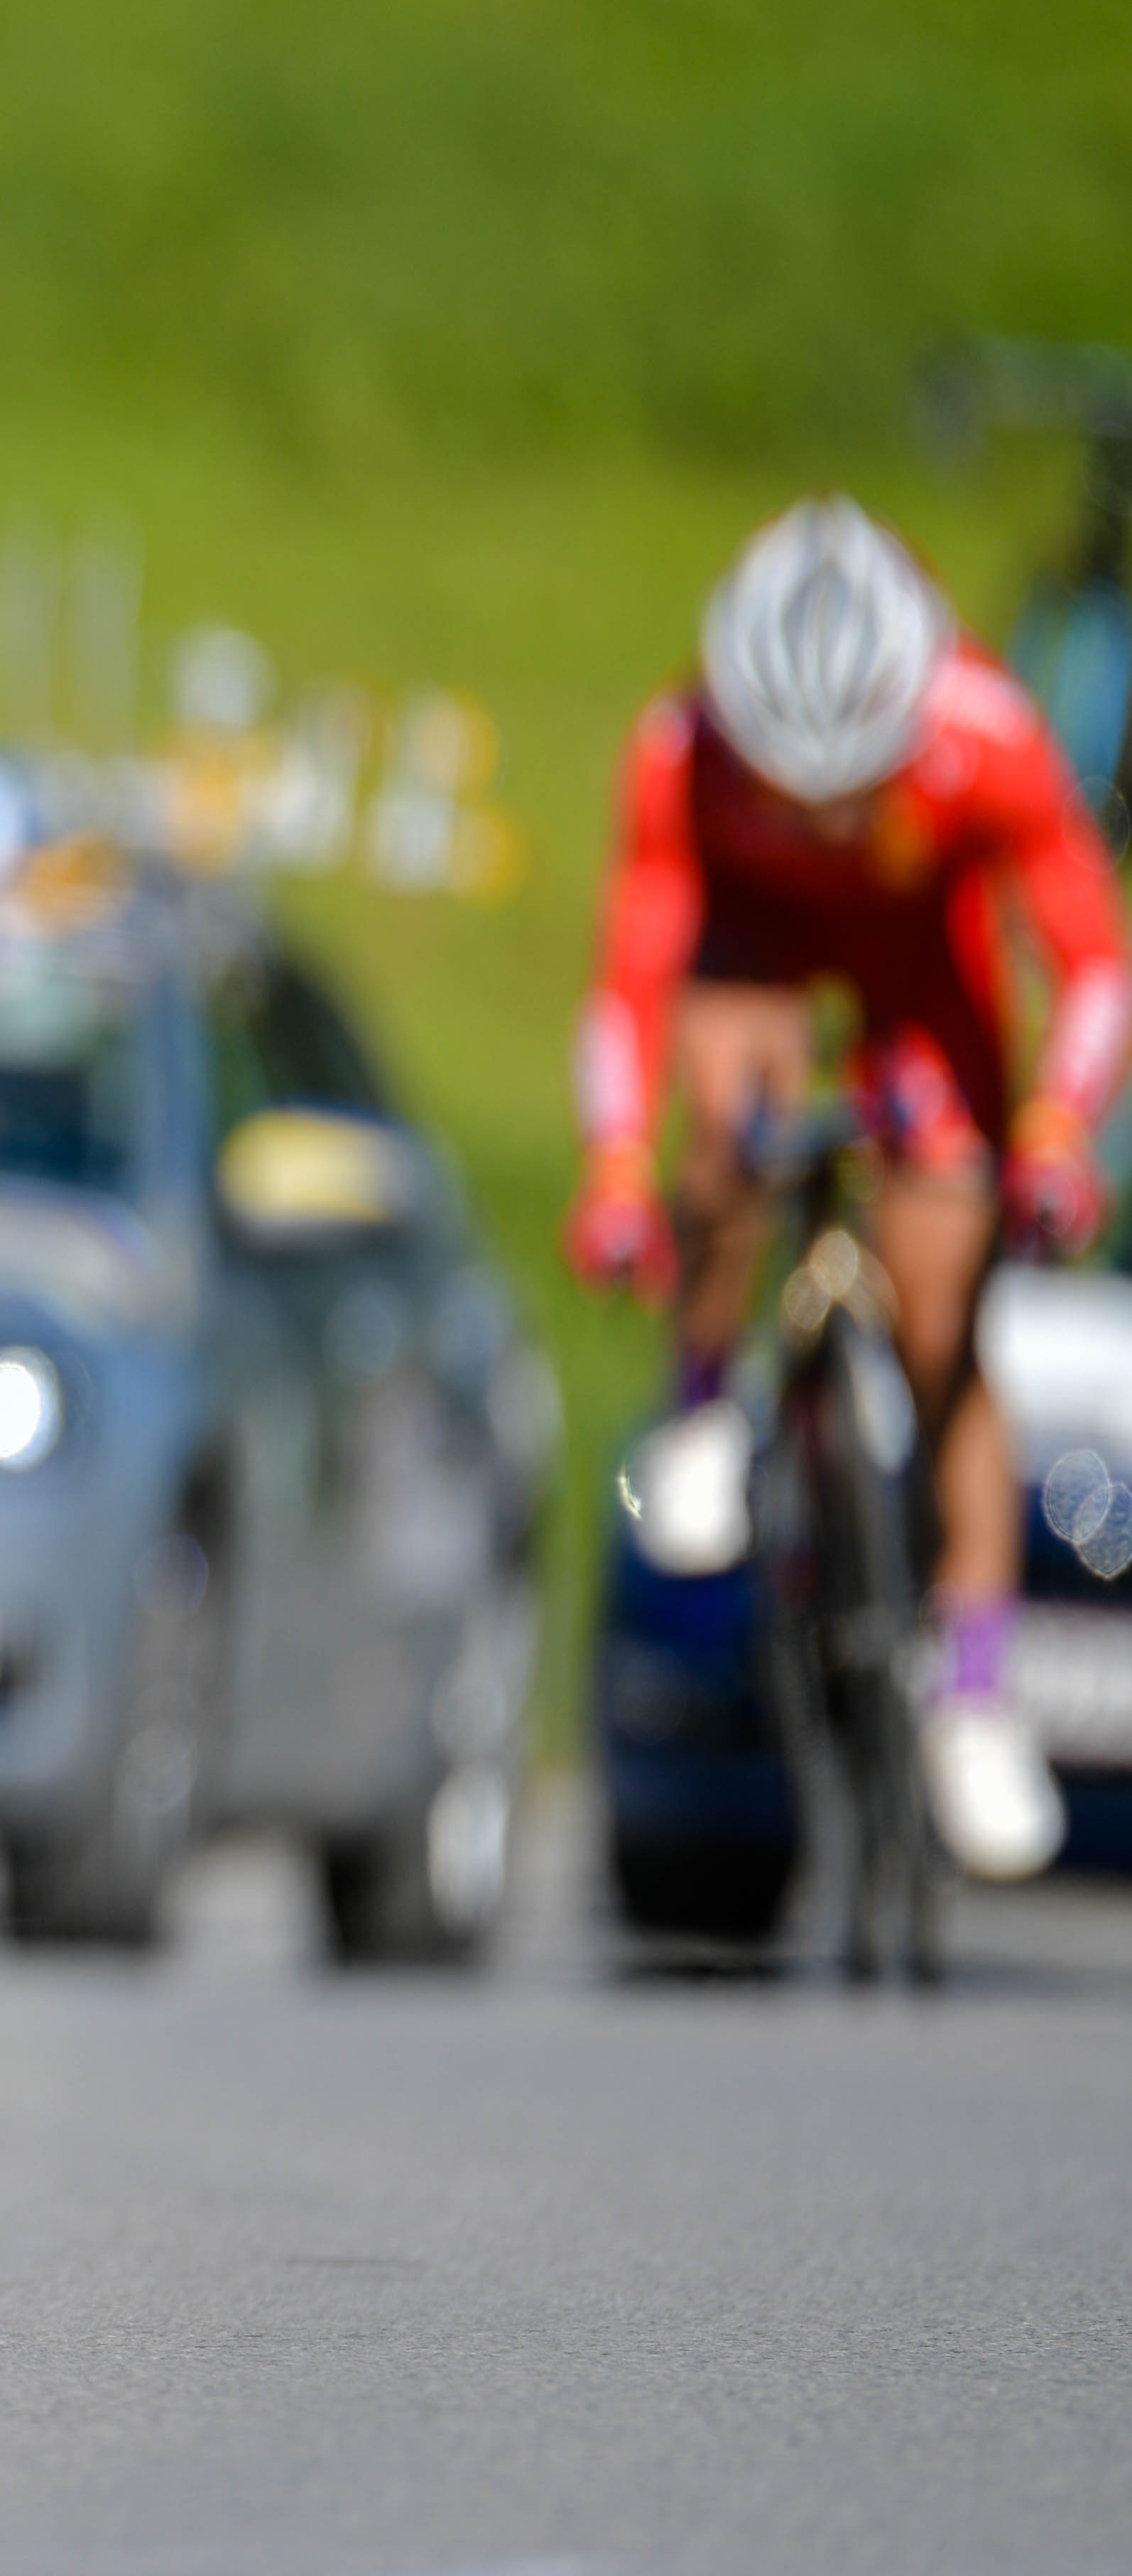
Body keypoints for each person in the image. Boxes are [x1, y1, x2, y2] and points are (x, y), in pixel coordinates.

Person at [569, 497, 1126, 1882]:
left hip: (917, 973)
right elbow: (632, 971)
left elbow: (1093, 960)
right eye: (783, 790)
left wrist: (1055, 1131)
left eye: (850, 788)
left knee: (942, 1314)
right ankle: (700, 1394)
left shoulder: (982, 742)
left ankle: (972, 1678)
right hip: (749, 957)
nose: (817, 813)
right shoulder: (679, 756)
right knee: (725, 1115)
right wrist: (614, 1172)